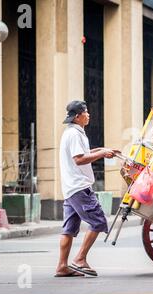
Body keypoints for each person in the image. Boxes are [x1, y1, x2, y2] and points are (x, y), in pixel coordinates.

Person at [55, 100, 119, 277]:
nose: (89, 115)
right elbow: (79, 159)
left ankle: (62, 266)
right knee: (98, 221)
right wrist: (101, 154)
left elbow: (85, 152)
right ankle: (80, 259)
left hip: (71, 188)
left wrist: (103, 150)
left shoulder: (73, 132)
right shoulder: (74, 134)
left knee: (69, 228)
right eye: (86, 112)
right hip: (79, 187)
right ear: (77, 116)